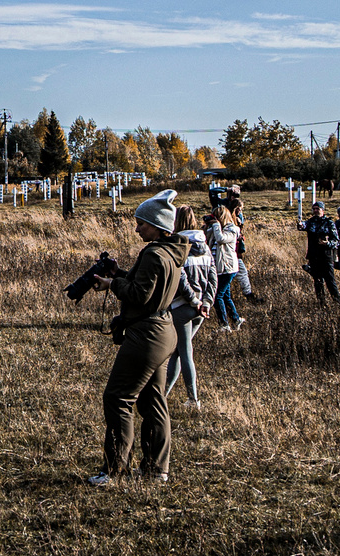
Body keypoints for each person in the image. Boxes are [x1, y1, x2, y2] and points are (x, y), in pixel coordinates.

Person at [90, 190, 186, 485]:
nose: (137, 228)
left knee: (118, 397)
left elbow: (140, 294)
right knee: (153, 401)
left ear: (158, 226)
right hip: (164, 330)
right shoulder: (170, 252)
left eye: (141, 224)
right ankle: (157, 470)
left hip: (145, 335)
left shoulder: (154, 254)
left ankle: (115, 470)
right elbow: (150, 285)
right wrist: (122, 273)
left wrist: (112, 283)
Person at [165, 207, 218, 407]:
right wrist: (206, 302)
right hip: (201, 310)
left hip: (182, 306)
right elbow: (212, 277)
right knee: (179, 352)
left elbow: (181, 278)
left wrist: (193, 300)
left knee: (184, 352)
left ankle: (193, 398)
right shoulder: (204, 245)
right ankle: (165, 393)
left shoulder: (179, 246)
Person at [207, 204, 245, 331]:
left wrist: (216, 225)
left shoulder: (232, 229)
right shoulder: (218, 228)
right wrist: (208, 226)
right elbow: (208, 239)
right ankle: (236, 319)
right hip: (220, 267)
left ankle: (224, 324)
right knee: (226, 296)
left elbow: (221, 239)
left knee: (218, 296)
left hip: (227, 268)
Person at [302, 202, 340, 304]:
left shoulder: (329, 223)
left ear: (322, 210)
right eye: (314, 209)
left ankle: (338, 303)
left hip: (326, 256)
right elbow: (302, 226)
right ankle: (322, 304)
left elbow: (336, 241)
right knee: (318, 281)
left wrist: (327, 243)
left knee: (330, 281)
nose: (315, 210)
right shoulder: (310, 222)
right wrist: (299, 224)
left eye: (318, 208)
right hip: (314, 256)